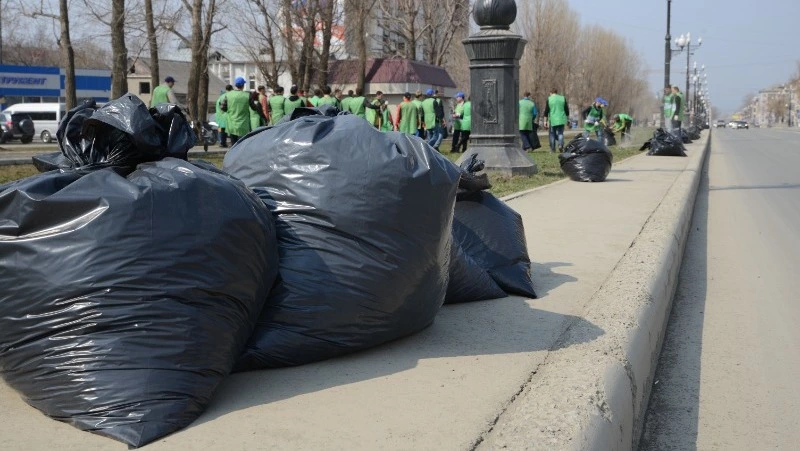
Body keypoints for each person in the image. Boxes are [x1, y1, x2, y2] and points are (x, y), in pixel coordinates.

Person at [220, 77, 251, 145]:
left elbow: (222, 108)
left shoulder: (228, 95)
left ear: (235, 85)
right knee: (243, 143)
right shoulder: (247, 95)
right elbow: (254, 107)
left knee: (233, 143)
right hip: (243, 124)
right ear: (243, 85)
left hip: (232, 123)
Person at [544, 88, 569, 153]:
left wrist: (545, 121)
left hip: (553, 119)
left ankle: (552, 149)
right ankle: (560, 145)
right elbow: (566, 109)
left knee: (552, 134)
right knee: (560, 133)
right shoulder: (562, 98)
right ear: (556, 92)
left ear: (551, 93)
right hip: (561, 118)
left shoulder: (549, 99)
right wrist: (567, 118)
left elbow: (546, 111)